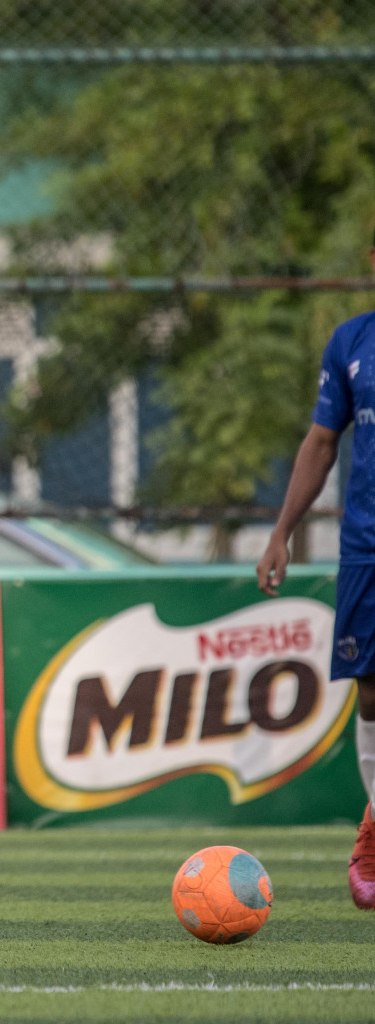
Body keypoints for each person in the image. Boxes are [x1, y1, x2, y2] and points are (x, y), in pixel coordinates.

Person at [257, 257, 375, 910]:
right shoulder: (352, 342)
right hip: (367, 549)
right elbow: (322, 442)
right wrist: (282, 531)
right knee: (371, 694)